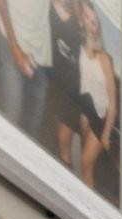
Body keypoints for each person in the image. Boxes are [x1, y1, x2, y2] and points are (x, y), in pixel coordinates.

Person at [77, 2, 120, 201]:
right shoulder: (79, 51)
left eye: (95, 22)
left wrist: (106, 134)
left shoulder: (105, 59)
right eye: (89, 19)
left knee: (86, 163)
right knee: (84, 162)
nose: (92, 24)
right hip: (84, 112)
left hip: (100, 118)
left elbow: (113, 103)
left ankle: (89, 205)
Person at [0, 0, 51, 137]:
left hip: (41, 52)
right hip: (12, 42)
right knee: (11, 114)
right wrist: (15, 48)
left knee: (32, 124)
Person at [46, 0, 84, 172]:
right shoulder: (47, 7)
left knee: (64, 143)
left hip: (70, 90)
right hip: (47, 79)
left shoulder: (80, 18)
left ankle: (66, 179)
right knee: (48, 133)